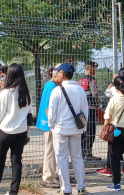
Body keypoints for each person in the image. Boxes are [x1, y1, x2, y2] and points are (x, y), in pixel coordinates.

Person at [0, 63, 32, 195]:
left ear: (10, 75)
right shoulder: (27, 93)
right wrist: (27, 134)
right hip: (21, 132)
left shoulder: (6, 92)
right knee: (17, 162)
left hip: (5, 131)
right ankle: (13, 192)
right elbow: (29, 115)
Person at [48, 63, 88, 195]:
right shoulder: (80, 89)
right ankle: (81, 187)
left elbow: (52, 112)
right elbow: (84, 110)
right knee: (77, 157)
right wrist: (84, 127)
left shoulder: (57, 90)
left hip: (60, 129)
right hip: (76, 129)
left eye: (58, 72)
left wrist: (51, 125)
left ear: (63, 74)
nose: (57, 74)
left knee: (62, 159)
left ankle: (66, 189)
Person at [36, 67, 61, 189]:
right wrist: (51, 124)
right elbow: (48, 107)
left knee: (54, 150)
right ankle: (47, 178)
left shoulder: (50, 85)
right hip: (48, 124)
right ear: (57, 75)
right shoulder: (52, 86)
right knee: (50, 150)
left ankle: (54, 174)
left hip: (48, 123)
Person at [78, 60, 100, 161]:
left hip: (81, 110)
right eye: (94, 68)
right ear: (90, 68)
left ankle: (82, 153)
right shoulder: (91, 80)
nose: (95, 70)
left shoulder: (80, 80)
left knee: (83, 131)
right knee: (91, 131)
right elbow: (94, 94)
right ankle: (88, 153)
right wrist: (98, 103)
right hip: (90, 109)